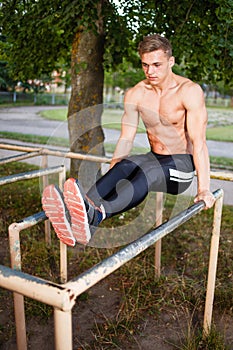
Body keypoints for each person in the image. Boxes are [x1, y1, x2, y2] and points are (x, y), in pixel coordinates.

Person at [42, 33, 215, 247]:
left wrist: (204, 189)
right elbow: (126, 137)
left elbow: (200, 143)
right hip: (154, 158)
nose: (150, 71)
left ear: (171, 61)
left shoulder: (189, 91)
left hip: (181, 167)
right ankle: (80, 212)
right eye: (145, 65)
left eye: (156, 65)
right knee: (125, 164)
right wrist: (115, 172)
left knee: (146, 172)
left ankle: (97, 215)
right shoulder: (137, 93)